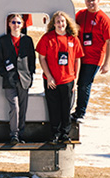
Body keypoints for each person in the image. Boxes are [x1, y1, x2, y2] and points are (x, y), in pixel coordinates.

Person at [36, 11, 84, 143]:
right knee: (53, 108)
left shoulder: (73, 39)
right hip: (51, 81)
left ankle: (65, 133)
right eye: (58, 21)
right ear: (54, 24)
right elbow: (42, 58)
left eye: (62, 21)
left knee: (66, 108)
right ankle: (55, 133)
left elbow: (77, 60)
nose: (60, 24)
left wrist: (75, 79)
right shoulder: (47, 38)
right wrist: (49, 76)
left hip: (67, 80)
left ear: (66, 23)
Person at [73, 0, 110, 122]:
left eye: (93, 0)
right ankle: (73, 111)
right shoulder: (80, 14)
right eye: (88, 0)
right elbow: (69, 25)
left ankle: (80, 113)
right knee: (75, 83)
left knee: (85, 84)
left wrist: (107, 63)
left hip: (94, 58)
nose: (90, 3)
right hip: (79, 56)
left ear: (98, 1)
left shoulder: (104, 19)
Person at [0, 13, 36, 144]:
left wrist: (31, 75)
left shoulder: (27, 40)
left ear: (22, 25)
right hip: (9, 79)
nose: (16, 25)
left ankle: (21, 134)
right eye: (13, 22)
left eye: (18, 22)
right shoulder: (3, 40)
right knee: (15, 107)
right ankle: (14, 135)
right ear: (8, 24)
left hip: (24, 79)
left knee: (23, 108)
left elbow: (32, 59)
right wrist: (4, 74)